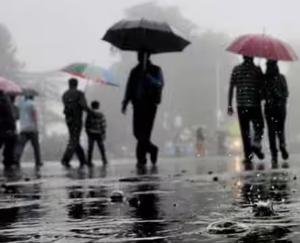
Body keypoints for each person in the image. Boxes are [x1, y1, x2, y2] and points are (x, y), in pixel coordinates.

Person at [122, 51, 164, 167]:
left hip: (150, 104)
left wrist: (148, 77)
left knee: (145, 133)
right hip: (137, 104)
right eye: (138, 55)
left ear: (147, 56)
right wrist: (125, 102)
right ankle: (152, 149)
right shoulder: (134, 71)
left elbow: (160, 84)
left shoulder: (156, 69)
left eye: (142, 55)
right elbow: (129, 87)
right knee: (137, 132)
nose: (139, 57)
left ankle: (141, 159)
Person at [227, 56, 265, 168]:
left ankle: (248, 156)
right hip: (254, 104)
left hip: (241, 105)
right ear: (252, 57)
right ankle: (256, 144)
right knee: (259, 126)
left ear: (243, 57)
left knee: (245, 131)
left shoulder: (236, 70)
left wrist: (229, 105)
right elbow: (262, 87)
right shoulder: (257, 70)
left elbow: (231, 87)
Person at [264, 60, 289, 168]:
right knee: (280, 129)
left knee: (271, 132)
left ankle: (274, 154)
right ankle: (282, 145)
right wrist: (279, 95)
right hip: (280, 108)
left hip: (270, 109)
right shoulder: (281, 78)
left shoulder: (265, 80)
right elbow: (286, 93)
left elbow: (261, 95)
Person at [61, 78, 88, 168]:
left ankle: (83, 160)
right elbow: (84, 106)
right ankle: (66, 159)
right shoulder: (80, 93)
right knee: (74, 139)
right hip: (77, 120)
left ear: (69, 84)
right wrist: (91, 112)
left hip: (68, 120)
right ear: (77, 84)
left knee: (74, 138)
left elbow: (67, 105)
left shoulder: (65, 94)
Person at [15, 94, 42, 167]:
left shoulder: (20, 104)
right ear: (32, 97)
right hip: (32, 128)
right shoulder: (33, 104)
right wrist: (36, 125)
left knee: (20, 145)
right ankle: (38, 161)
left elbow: (17, 116)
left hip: (23, 128)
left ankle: (16, 159)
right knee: (36, 146)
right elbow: (35, 116)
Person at [85, 100, 108, 166]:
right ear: (98, 106)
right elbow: (103, 124)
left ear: (92, 106)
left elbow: (87, 124)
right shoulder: (101, 114)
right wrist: (103, 132)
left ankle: (89, 161)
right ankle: (104, 160)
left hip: (91, 133)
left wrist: (87, 131)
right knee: (101, 147)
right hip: (99, 133)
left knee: (90, 148)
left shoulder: (89, 114)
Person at [0, 90, 17, 168]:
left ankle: (8, 161)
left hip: (3, 127)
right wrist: (12, 128)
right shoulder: (5, 102)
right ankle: (8, 162)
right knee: (9, 147)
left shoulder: (6, 101)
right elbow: (10, 117)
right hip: (6, 128)